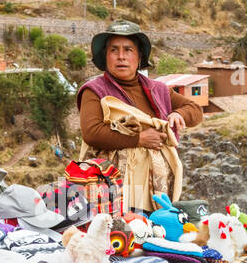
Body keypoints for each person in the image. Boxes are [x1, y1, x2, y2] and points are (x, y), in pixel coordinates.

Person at [76, 20, 202, 210]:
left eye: (128, 50)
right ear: (105, 56)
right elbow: (92, 132)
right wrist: (139, 139)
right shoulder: (94, 91)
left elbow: (195, 110)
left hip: (156, 192)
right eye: (114, 50)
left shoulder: (158, 90)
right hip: (113, 189)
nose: (121, 57)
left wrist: (177, 113)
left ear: (139, 56)